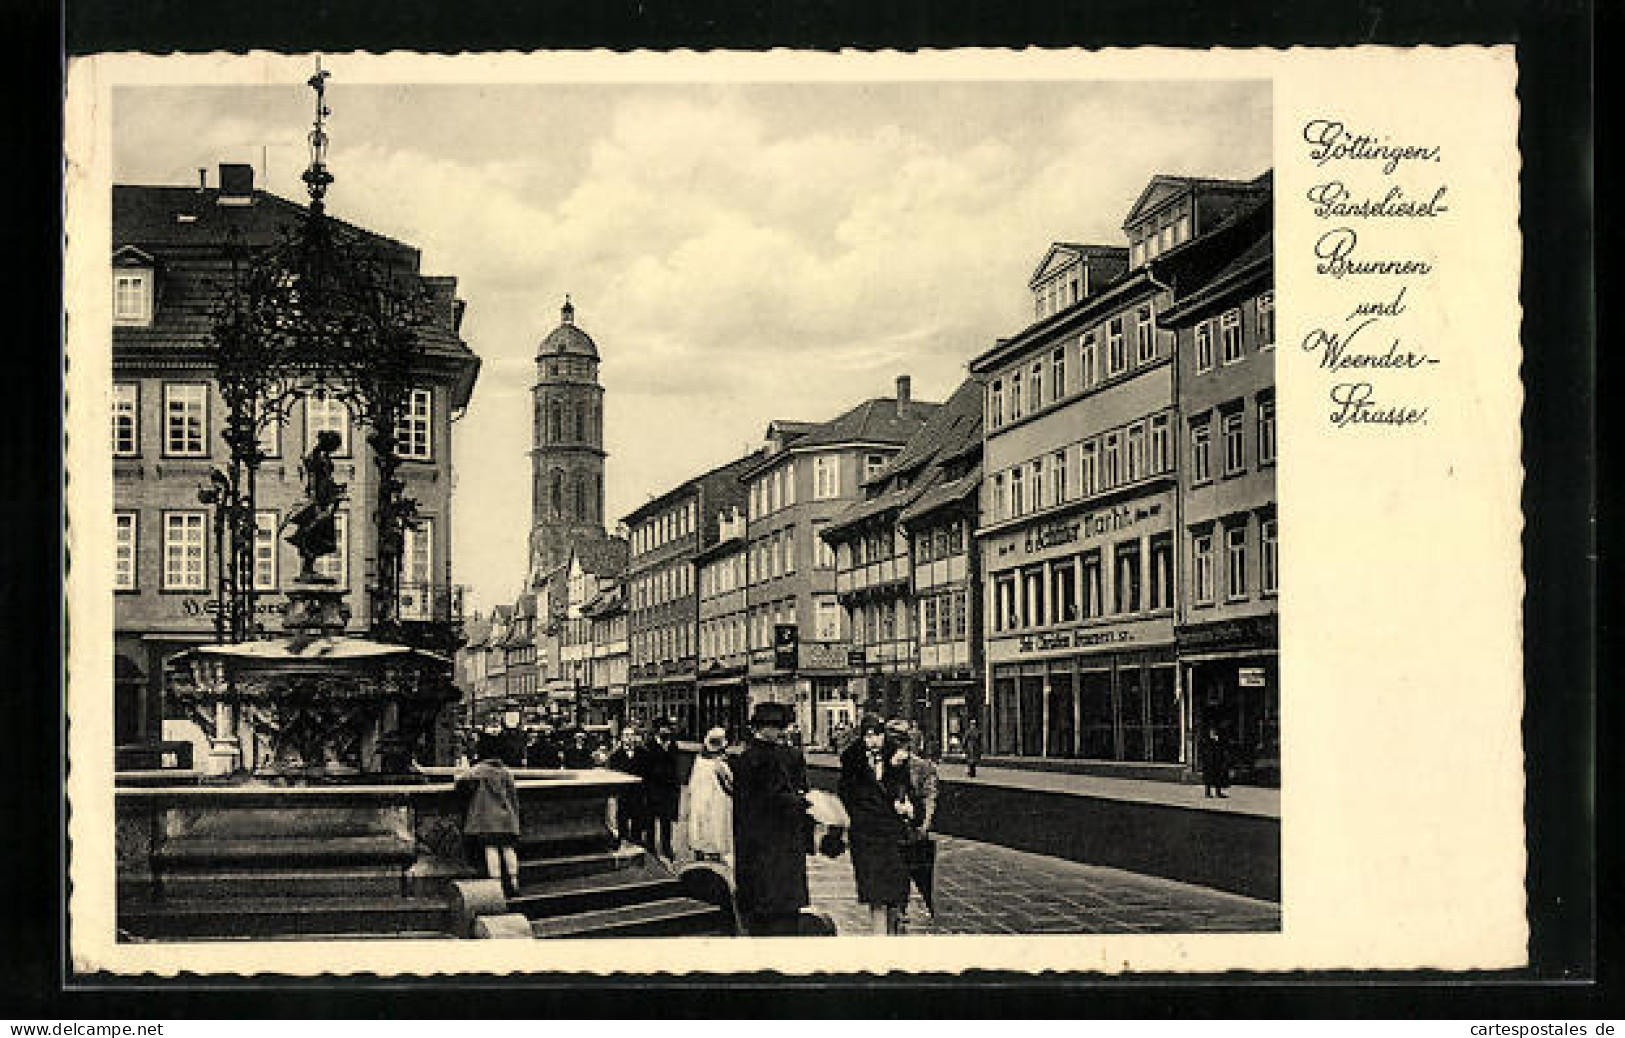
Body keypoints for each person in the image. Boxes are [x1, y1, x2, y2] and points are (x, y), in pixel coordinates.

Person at [732, 701, 812, 936]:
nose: (779, 732)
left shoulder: (748, 759)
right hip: (773, 844)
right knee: (779, 913)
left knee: (764, 911)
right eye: (775, 727)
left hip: (760, 845)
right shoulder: (762, 759)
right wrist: (801, 802)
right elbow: (775, 798)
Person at [837, 715, 914, 935]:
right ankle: (879, 936)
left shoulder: (898, 757)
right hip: (867, 836)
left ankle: (893, 929)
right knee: (876, 893)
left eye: (877, 735)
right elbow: (846, 794)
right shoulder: (852, 761)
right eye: (868, 736)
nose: (872, 741)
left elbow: (907, 790)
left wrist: (906, 804)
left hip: (893, 834)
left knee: (895, 892)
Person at [455, 734, 523, 897]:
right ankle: (514, 882)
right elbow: (514, 796)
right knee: (508, 849)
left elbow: (460, 782)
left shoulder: (478, 771)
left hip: (487, 819)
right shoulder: (505, 771)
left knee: (491, 850)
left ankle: (496, 885)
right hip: (506, 818)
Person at [687, 726, 735, 863]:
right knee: (714, 828)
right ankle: (713, 856)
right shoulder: (720, 764)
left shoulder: (699, 761)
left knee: (702, 827)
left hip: (702, 800)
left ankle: (701, 855)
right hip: (714, 801)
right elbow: (729, 784)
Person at [643, 717, 683, 859]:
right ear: (657, 730)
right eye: (662, 728)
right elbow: (648, 769)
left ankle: (666, 847)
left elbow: (675, 766)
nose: (665, 730)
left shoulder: (673, 745)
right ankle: (650, 847)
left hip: (668, 790)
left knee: (666, 820)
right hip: (653, 789)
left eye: (667, 728)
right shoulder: (649, 746)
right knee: (650, 820)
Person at [606, 725, 649, 846]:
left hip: (638, 794)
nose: (629, 738)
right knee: (622, 820)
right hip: (623, 794)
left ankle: (637, 845)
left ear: (635, 738)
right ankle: (622, 843)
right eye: (626, 735)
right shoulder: (615, 756)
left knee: (638, 821)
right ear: (622, 738)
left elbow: (647, 774)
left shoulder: (643, 754)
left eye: (631, 735)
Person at [1200, 725, 1231, 798]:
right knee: (1208, 779)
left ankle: (1218, 792)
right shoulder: (1206, 741)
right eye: (1212, 733)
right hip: (1209, 763)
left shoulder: (1218, 741)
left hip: (1217, 762)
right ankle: (1207, 793)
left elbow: (1221, 750)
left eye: (1215, 733)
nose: (1214, 734)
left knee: (1218, 778)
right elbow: (1205, 751)